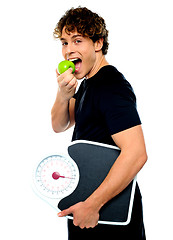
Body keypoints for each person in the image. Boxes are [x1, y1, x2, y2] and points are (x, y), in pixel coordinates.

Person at [51, 7, 147, 240]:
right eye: (64, 42)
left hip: (106, 213)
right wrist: (63, 94)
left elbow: (136, 153)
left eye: (77, 40)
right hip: (88, 208)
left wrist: (92, 205)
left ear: (98, 43)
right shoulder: (87, 84)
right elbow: (59, 125)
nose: (69, 50)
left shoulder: (111, 86)